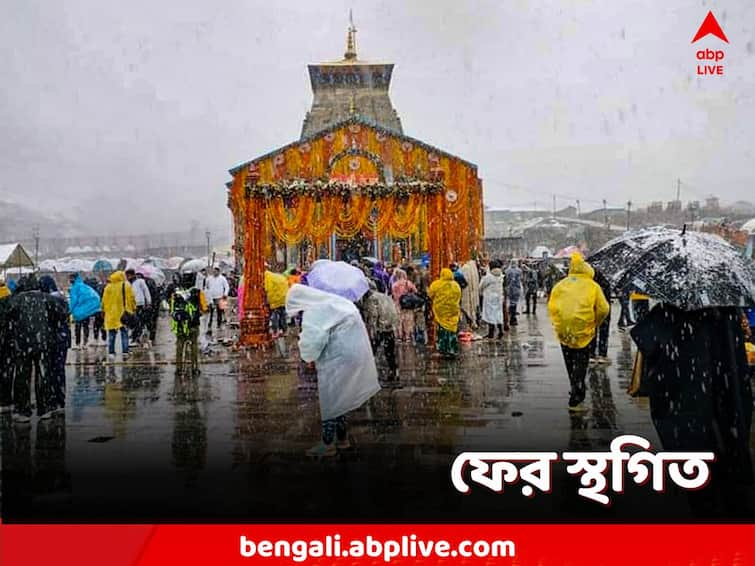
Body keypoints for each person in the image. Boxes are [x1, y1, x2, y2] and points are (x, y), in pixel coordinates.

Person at [631, 305, 752, 516]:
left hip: (686, 401)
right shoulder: (729, 313)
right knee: (731, 470)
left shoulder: (669, 312)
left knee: (700, 480)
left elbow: (646, 338)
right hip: (727, 404)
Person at [286, 284, 380, 457]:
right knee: (340, 398)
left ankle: (327, 443)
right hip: (354, 354)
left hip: (336, 358)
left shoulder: (315, 311)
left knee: (330, 400)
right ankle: (343, 439)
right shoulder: (334, 303)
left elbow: (314, 340)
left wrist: (308, 356)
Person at [547, 253, 610, 411]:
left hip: (564, 330)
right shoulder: (593, 286)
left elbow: (552, 306)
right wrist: (595, 322)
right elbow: (604, 309)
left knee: (569, 361)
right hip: (583, 330)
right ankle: (576, 398)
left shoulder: (560, 285)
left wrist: (559, 322)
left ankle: (575, 387)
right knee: (580, 363)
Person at [5, 276, 56, 422]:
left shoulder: (16, 300)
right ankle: (44, 408)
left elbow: (6, 316)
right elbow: (63, 311)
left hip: (22, 344)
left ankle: (22, 411)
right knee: (43, 374)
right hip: (43, 343)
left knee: (22, 377)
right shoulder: (47, 299)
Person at [39, 275, 70, 416]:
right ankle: (60, 399)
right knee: (59, 370)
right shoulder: (61, 298)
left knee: (51, 370)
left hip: (52, 339)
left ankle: (53, 399)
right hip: (62, 338)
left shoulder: (47, 300)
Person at [170, 273, 207, 377]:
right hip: (193, 324)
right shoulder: (198, 293)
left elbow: (172, 309)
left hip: (180, 325)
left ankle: (179, 369)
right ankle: (194, 368)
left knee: (179, 346)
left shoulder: (176, 293)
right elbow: (204, 308)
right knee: (194, 345)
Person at [364, 280, 400, 387]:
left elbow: (374, 315)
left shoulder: (372, 299)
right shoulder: (385, 296)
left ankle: (367, 373)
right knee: (390, 352)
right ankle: (393, 371)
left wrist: (372, 329)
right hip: (389, 327)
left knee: (372, 351)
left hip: (380, 328)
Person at [101, 271, 136, 361]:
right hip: (123, 314)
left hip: (111, 314)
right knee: (124, 333)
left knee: (112, 334)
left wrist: (103, 310)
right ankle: (125, 351)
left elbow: (104, 301)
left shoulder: (108, 287)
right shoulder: (126, 285)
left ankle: (111, 352)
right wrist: (132, 308)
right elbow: (131, 298)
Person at [427, 268, 462, 359]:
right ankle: (453, 349)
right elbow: (459, 296)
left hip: (440, 312)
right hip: (453, 312)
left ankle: (443, 349)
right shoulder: (456, 285)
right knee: (452, 331)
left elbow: (430, 294)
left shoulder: (436, 284)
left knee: (442, 330)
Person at [68, 273, 102, 350]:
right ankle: (85, 343)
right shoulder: (85, 286)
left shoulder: (75, 288)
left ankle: (78, 343)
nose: (70, 280)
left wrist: (69, 310)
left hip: (79, 311)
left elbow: (73, 301)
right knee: (85, 326)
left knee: (78, 327)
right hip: (87, 310)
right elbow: (95, 296)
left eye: (71, 278)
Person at [589, 267, 612, 364]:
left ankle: (591, 354)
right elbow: (607, 294)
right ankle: (602, 354)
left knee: (593, 330)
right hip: (604, 307)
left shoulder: (591, 276)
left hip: (593, 306)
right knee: (604, 331)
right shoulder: (608, 277)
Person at [479, 261, 505, 339]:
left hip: (490, 298)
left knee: (490, 315)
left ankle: (491, 333)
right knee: (498, 314)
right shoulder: (501, 276)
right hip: (499, 298)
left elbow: (481, 286)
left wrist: (481, 292)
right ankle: (500, 330)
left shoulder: (489, 277)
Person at [125, 269, 151, 345]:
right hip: (130, 305)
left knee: (138, 321)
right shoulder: (127, 283)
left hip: (139, 304)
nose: (127, 277)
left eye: (128, 275)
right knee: (132, 322)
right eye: (126, 276)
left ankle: (135, 338)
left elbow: (146, 291)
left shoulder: (140, 281)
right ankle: (136, 335)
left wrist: (148, 302)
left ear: (132, 275)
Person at [391, 268, 417, 342]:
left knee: (399, 320)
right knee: (408, 320)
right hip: (407, 304)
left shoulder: (394, 285)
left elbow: (393, 294)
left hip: (398, 304)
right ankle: (407, 336)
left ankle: (399, 336)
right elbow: (415, 291)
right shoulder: (408, 283)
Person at [0, 279, 14, 412]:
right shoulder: (10, 298)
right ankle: (7, 400)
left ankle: (4, 401)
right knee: (7, 371)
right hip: (9, 340)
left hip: (3, 339)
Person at [264, 270, 289, 338]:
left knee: (274, 316)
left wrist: (266, 301)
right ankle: (285, 330)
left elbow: (266, 289)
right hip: (283, 298)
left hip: (275, 299)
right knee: (282, 315)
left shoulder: (267, 278)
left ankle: (275, 331)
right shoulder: (277, 276)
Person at [85, 276, 107, 345]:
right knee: (101, 323)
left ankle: (96, 339)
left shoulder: (89, 289)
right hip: (100, 308)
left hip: (93, 308)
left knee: (95, 325)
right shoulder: (101, 287)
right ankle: (104, 339)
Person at [460, 259, 480, 330]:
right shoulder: (473, 269)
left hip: (466, 294)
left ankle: (467, 325)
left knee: (466, 309)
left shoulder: (464, 269)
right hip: (472, 294)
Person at [505, 259, 523, 326]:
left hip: (509, 289)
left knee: (510, 302)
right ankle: (513, 318)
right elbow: (521, 279)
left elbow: (506, 280)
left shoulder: (507, 271)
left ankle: (511, 317)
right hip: (516, 289)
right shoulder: (519, 271)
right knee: (514, 303)